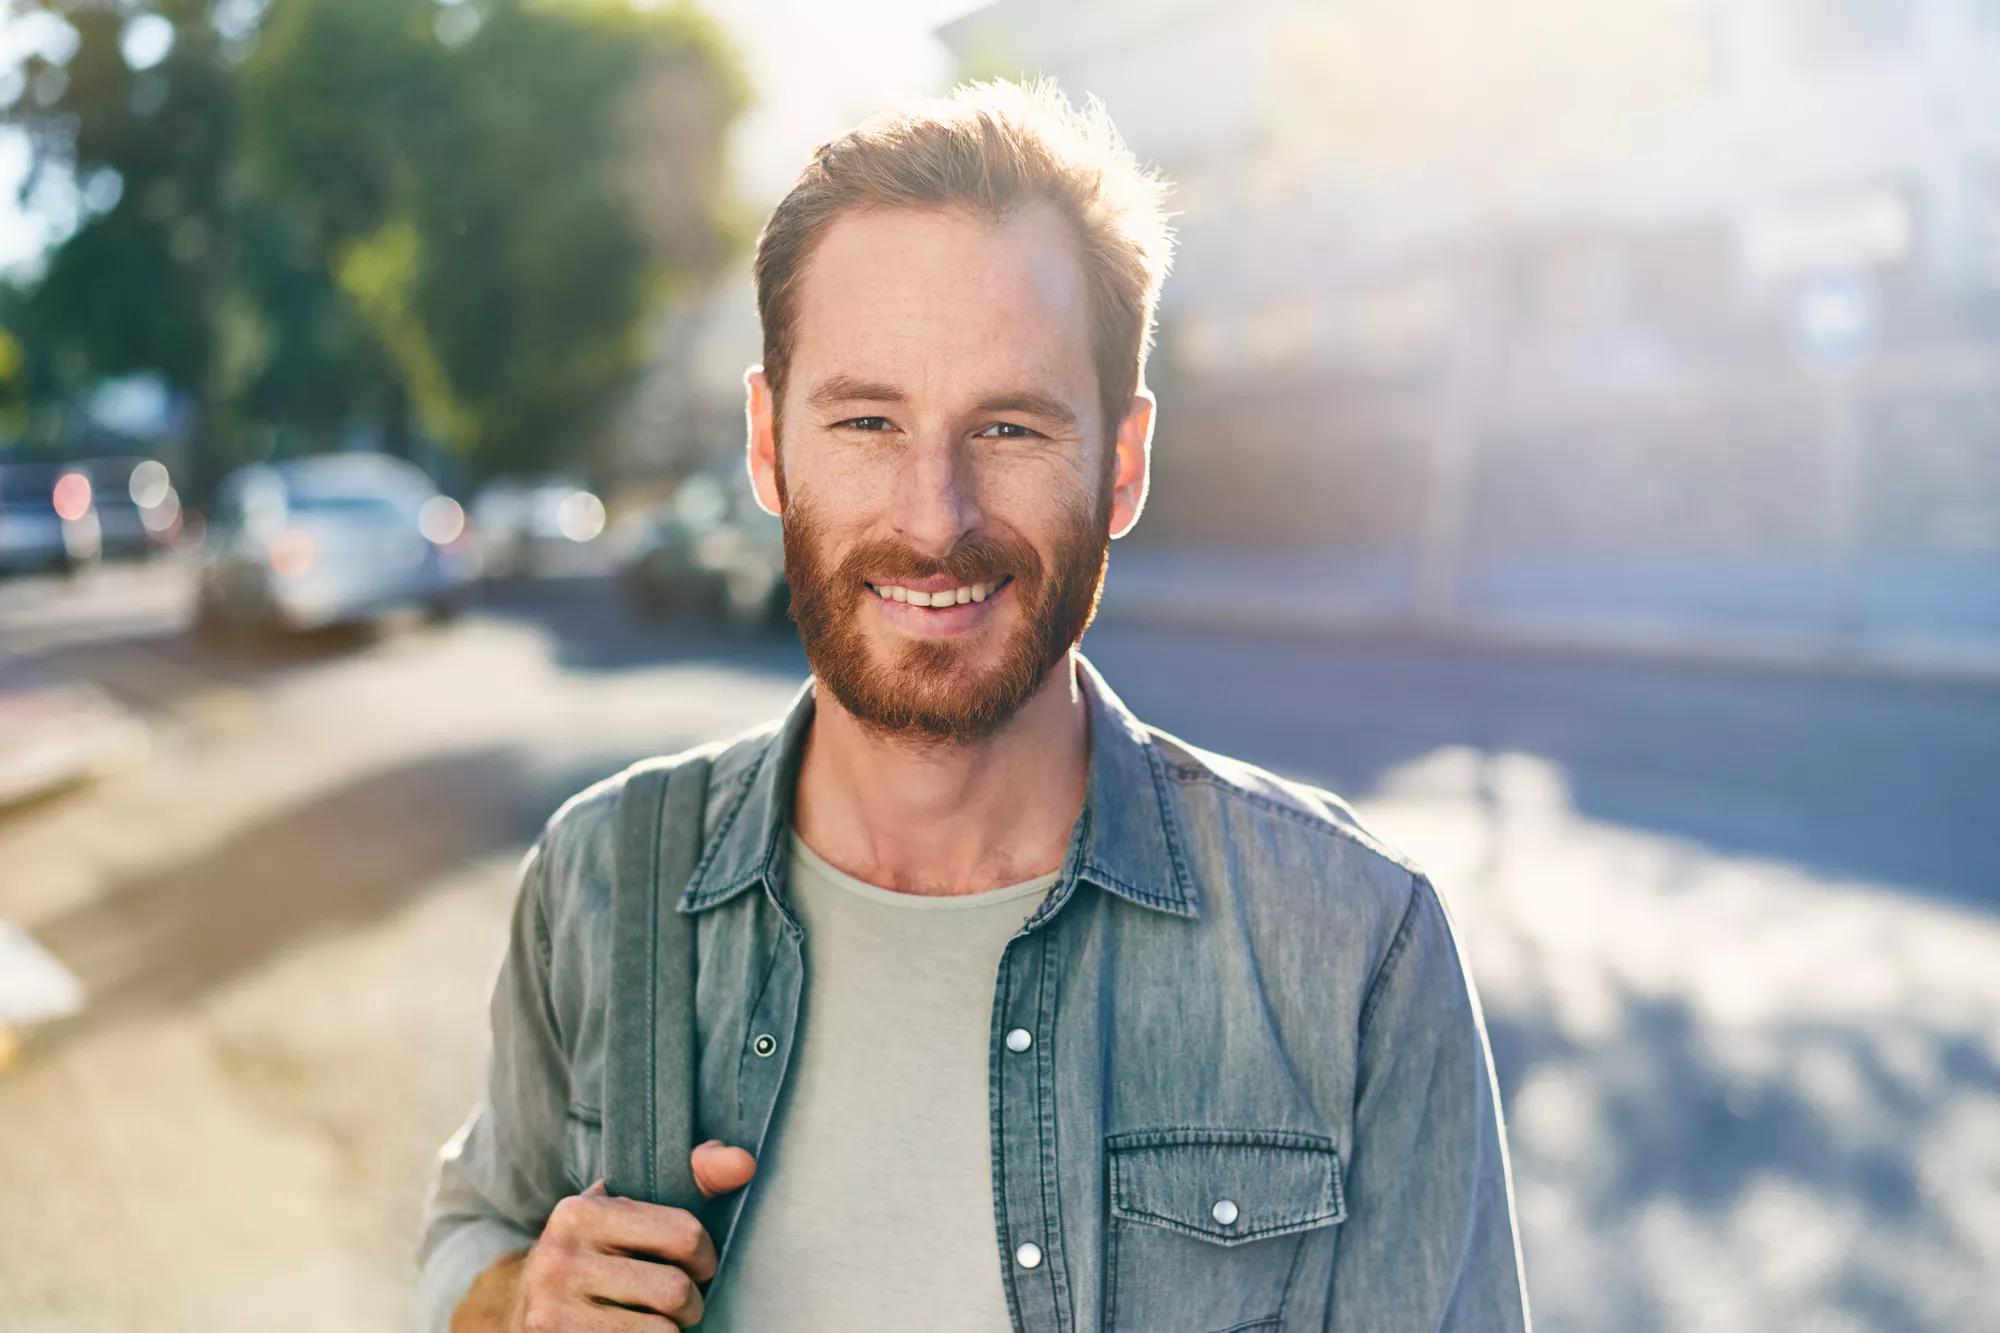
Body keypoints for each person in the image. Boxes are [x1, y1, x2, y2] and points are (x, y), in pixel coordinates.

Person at [417, 77, 1530, 1332]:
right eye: (868, 419)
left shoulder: (1353, 949)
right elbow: (469, 1228)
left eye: (1006, 427)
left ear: (1121, 464)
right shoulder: (598, 878)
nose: (932, 517)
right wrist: (519, 1304)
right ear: (767, 445)